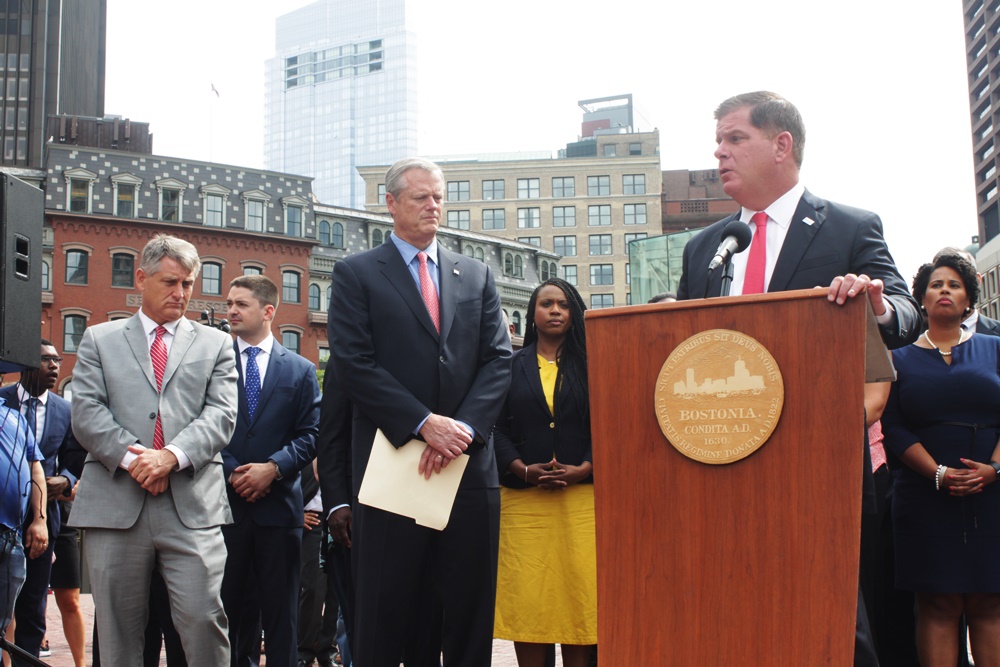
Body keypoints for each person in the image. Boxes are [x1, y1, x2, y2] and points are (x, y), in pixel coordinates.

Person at [676, 91, 921, 667]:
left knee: (831, 622)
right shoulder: (705, 248)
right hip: (718, 456)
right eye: (718, 141)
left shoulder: (848, 227)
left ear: (781, 145)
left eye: (735, 139)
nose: (719, 153)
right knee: (733, 617)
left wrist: (875, 305)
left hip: (817, 464)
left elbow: (905, 316)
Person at [328, 156, 512, 666]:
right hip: (393, 466)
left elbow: (499, 360)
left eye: (438, 197)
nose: (433, 206)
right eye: (420, 197)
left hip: (467, 469)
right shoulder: (356, 273)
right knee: (386, 614)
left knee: (469, 615)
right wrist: (422, 424)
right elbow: (353, 363)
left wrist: (464, 431)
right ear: (390, 204)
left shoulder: (476, 274)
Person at [69, 233, 239, 664]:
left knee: (204, 620)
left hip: (192, 506)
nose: (180, 293)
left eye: (187, 284)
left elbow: (221, 414)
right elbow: (86, 411)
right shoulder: (99, 339)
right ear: (141, 279)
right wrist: (137, 460)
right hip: (116, 502)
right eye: (169, 282)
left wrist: (170, 457)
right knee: (118, 633)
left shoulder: (216, 343)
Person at [881, 253, 1000, 667]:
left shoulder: (996, 348)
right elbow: (893, 428)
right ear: (922, 299)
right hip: (924, 496)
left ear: (969, 300)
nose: (944, 290)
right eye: (935, 285)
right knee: (937, 605)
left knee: (990, 603)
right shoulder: (898, 358)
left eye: (953, 284)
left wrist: (995, 469)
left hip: (993, 494)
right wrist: (937, 473)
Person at [492, 278, 597, 667]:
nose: (555, 310)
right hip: (523, 506)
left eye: (563, 304)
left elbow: (610, 421)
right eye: (546, 304)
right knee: (529, 604)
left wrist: (586, 467)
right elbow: (494, 427)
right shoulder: (508, 366)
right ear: (531, 315)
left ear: (575, 314)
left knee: (580, 601)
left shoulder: (594, 363)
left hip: (583, 503)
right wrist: (520, 469)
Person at [220, 274, 320, 667]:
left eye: (241, 304)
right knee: (226, 614)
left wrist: (272, 469)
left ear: (268, 311)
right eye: (229, 302)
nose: (231, 310)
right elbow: (201, 422)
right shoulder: (212, 361)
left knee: (281, 617)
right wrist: (234, 472)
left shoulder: (299, 370)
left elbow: (312, 435)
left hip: (279, 513)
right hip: (224, 510)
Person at [0, 341, 84, 665]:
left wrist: (66, 479)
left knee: (34, 603)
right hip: (6, 511)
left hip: (44, 516)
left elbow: (75, 457)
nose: (54, 366)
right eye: (45, 359)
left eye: (57, 360)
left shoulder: (66, 409)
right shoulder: (4, 402)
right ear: (24, 365)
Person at [0, 395, 44, 665]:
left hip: (11, 535)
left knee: (4, 621)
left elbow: (35, 467)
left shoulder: (14, 417)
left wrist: (39, 519)